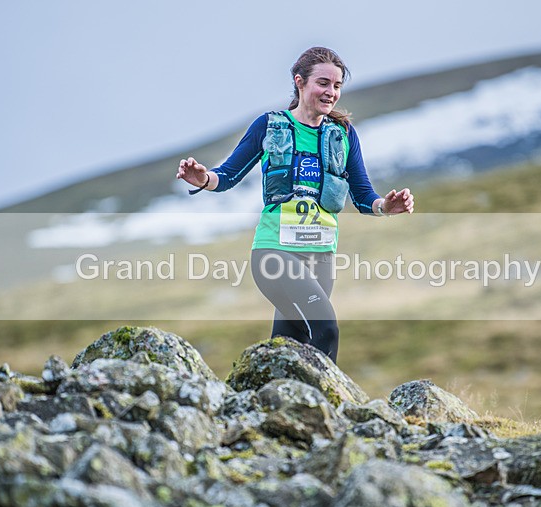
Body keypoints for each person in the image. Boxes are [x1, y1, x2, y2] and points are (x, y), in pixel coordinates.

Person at [176, 46, 414, 364]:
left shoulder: (342, 135)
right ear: (300, 82)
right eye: (323, 83)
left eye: (337, 86)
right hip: (275, 252)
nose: (331, 92)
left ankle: (263, 403)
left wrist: (385, 206)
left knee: (291, 345)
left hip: (321, 257)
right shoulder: (270, 126)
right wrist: (203, 178)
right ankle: (329, 408)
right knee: (325, 328)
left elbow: (361, 194)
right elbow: (228, 176)